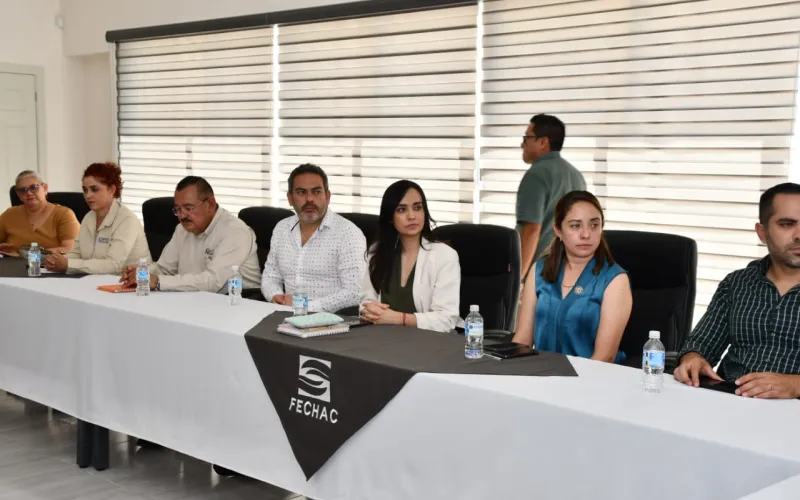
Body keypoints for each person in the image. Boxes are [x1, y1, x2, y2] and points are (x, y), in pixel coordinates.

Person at [674, 182, 800, 399]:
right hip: (729, 398)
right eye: (787, 224)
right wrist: (693, 358)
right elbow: (702, 343)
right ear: (762, 233)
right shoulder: (737, 283)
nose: (798, 235)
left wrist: (795, 385)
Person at [513, 190, 632, 363]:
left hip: (593, 376)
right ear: (558, 230)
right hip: (541, 373)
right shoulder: (539, 270)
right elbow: (523, 340)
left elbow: (605, 357)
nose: (586, 234)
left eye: (594, 225)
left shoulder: (615, 280)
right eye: (575, 226)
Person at [119, 176, 260, 293]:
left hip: (235, 304)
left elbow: (212, 281)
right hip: (192, 301)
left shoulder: (235, 232)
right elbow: (164, 269)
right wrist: (141, 273)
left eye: (188, 208)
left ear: (210, 205)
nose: (182, 215)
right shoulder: (182, 229)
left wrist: (157, 281)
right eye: (178, 209)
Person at [261, 164, 366, 312]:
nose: (309, 199)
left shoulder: (348, 234)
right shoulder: (281, 228)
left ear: (327, 196)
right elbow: (270, 276)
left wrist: (303, 306)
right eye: (301, 192)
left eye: (316, 192)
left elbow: (355, 292)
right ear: (290, 198)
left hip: (330, 320)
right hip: (285, 314)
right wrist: (275, 296)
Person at [359, 180, 461, 332]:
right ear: (390, 217)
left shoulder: (444, 255)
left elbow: (446, 319)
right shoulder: (376, 252)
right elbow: (366, 302)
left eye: (417, 208)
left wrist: (400, 319)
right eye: (401, 210)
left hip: (430, 339)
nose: (412, 216)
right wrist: (368, 311)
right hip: (384, 336)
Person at [43, 162, 150, 274]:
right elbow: (77, 253)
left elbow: (113, 265)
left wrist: (68, 264)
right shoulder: (89, 217)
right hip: (95, 279)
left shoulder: (127, 220)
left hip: (133, 281)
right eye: (85, 190)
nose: (88, 195)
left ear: (112, 190)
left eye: (94, 189)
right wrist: (56, 261)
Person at [517, 114, 586, 286]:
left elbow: (531, 230)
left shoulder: (536, 175)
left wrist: (517, 280)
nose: (522, 144)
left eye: (527, 138)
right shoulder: (576, 176)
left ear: (543, 142)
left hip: (539, 275)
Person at [0, 170, 79, 255]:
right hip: (13, 263)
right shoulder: (9, 214)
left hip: (50, 263)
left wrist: (27, 255)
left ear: (45, 188)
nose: (29, 193)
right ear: (18, 194)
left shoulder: (64, 214)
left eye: (34, 187)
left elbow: (70, 249)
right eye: (23, 190)